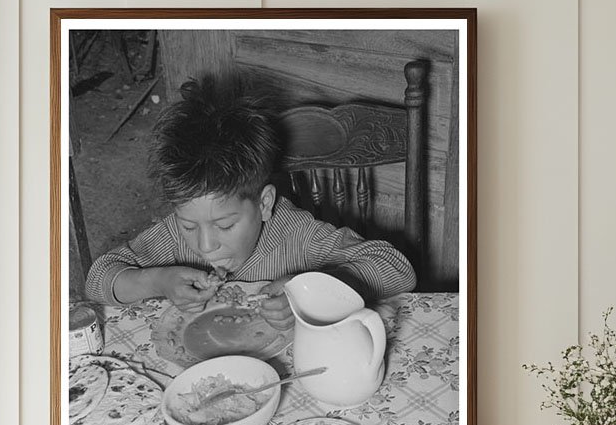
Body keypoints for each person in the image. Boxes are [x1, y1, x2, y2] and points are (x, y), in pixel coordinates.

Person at [84, 76, 417, 328]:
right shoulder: (172, 236)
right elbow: (98, 280)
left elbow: (397, 268)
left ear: (264, 203)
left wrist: (312, 290)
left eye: (225, 225)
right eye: (188, 225)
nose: (205, 246)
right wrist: (159, 281)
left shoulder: (294, 234)